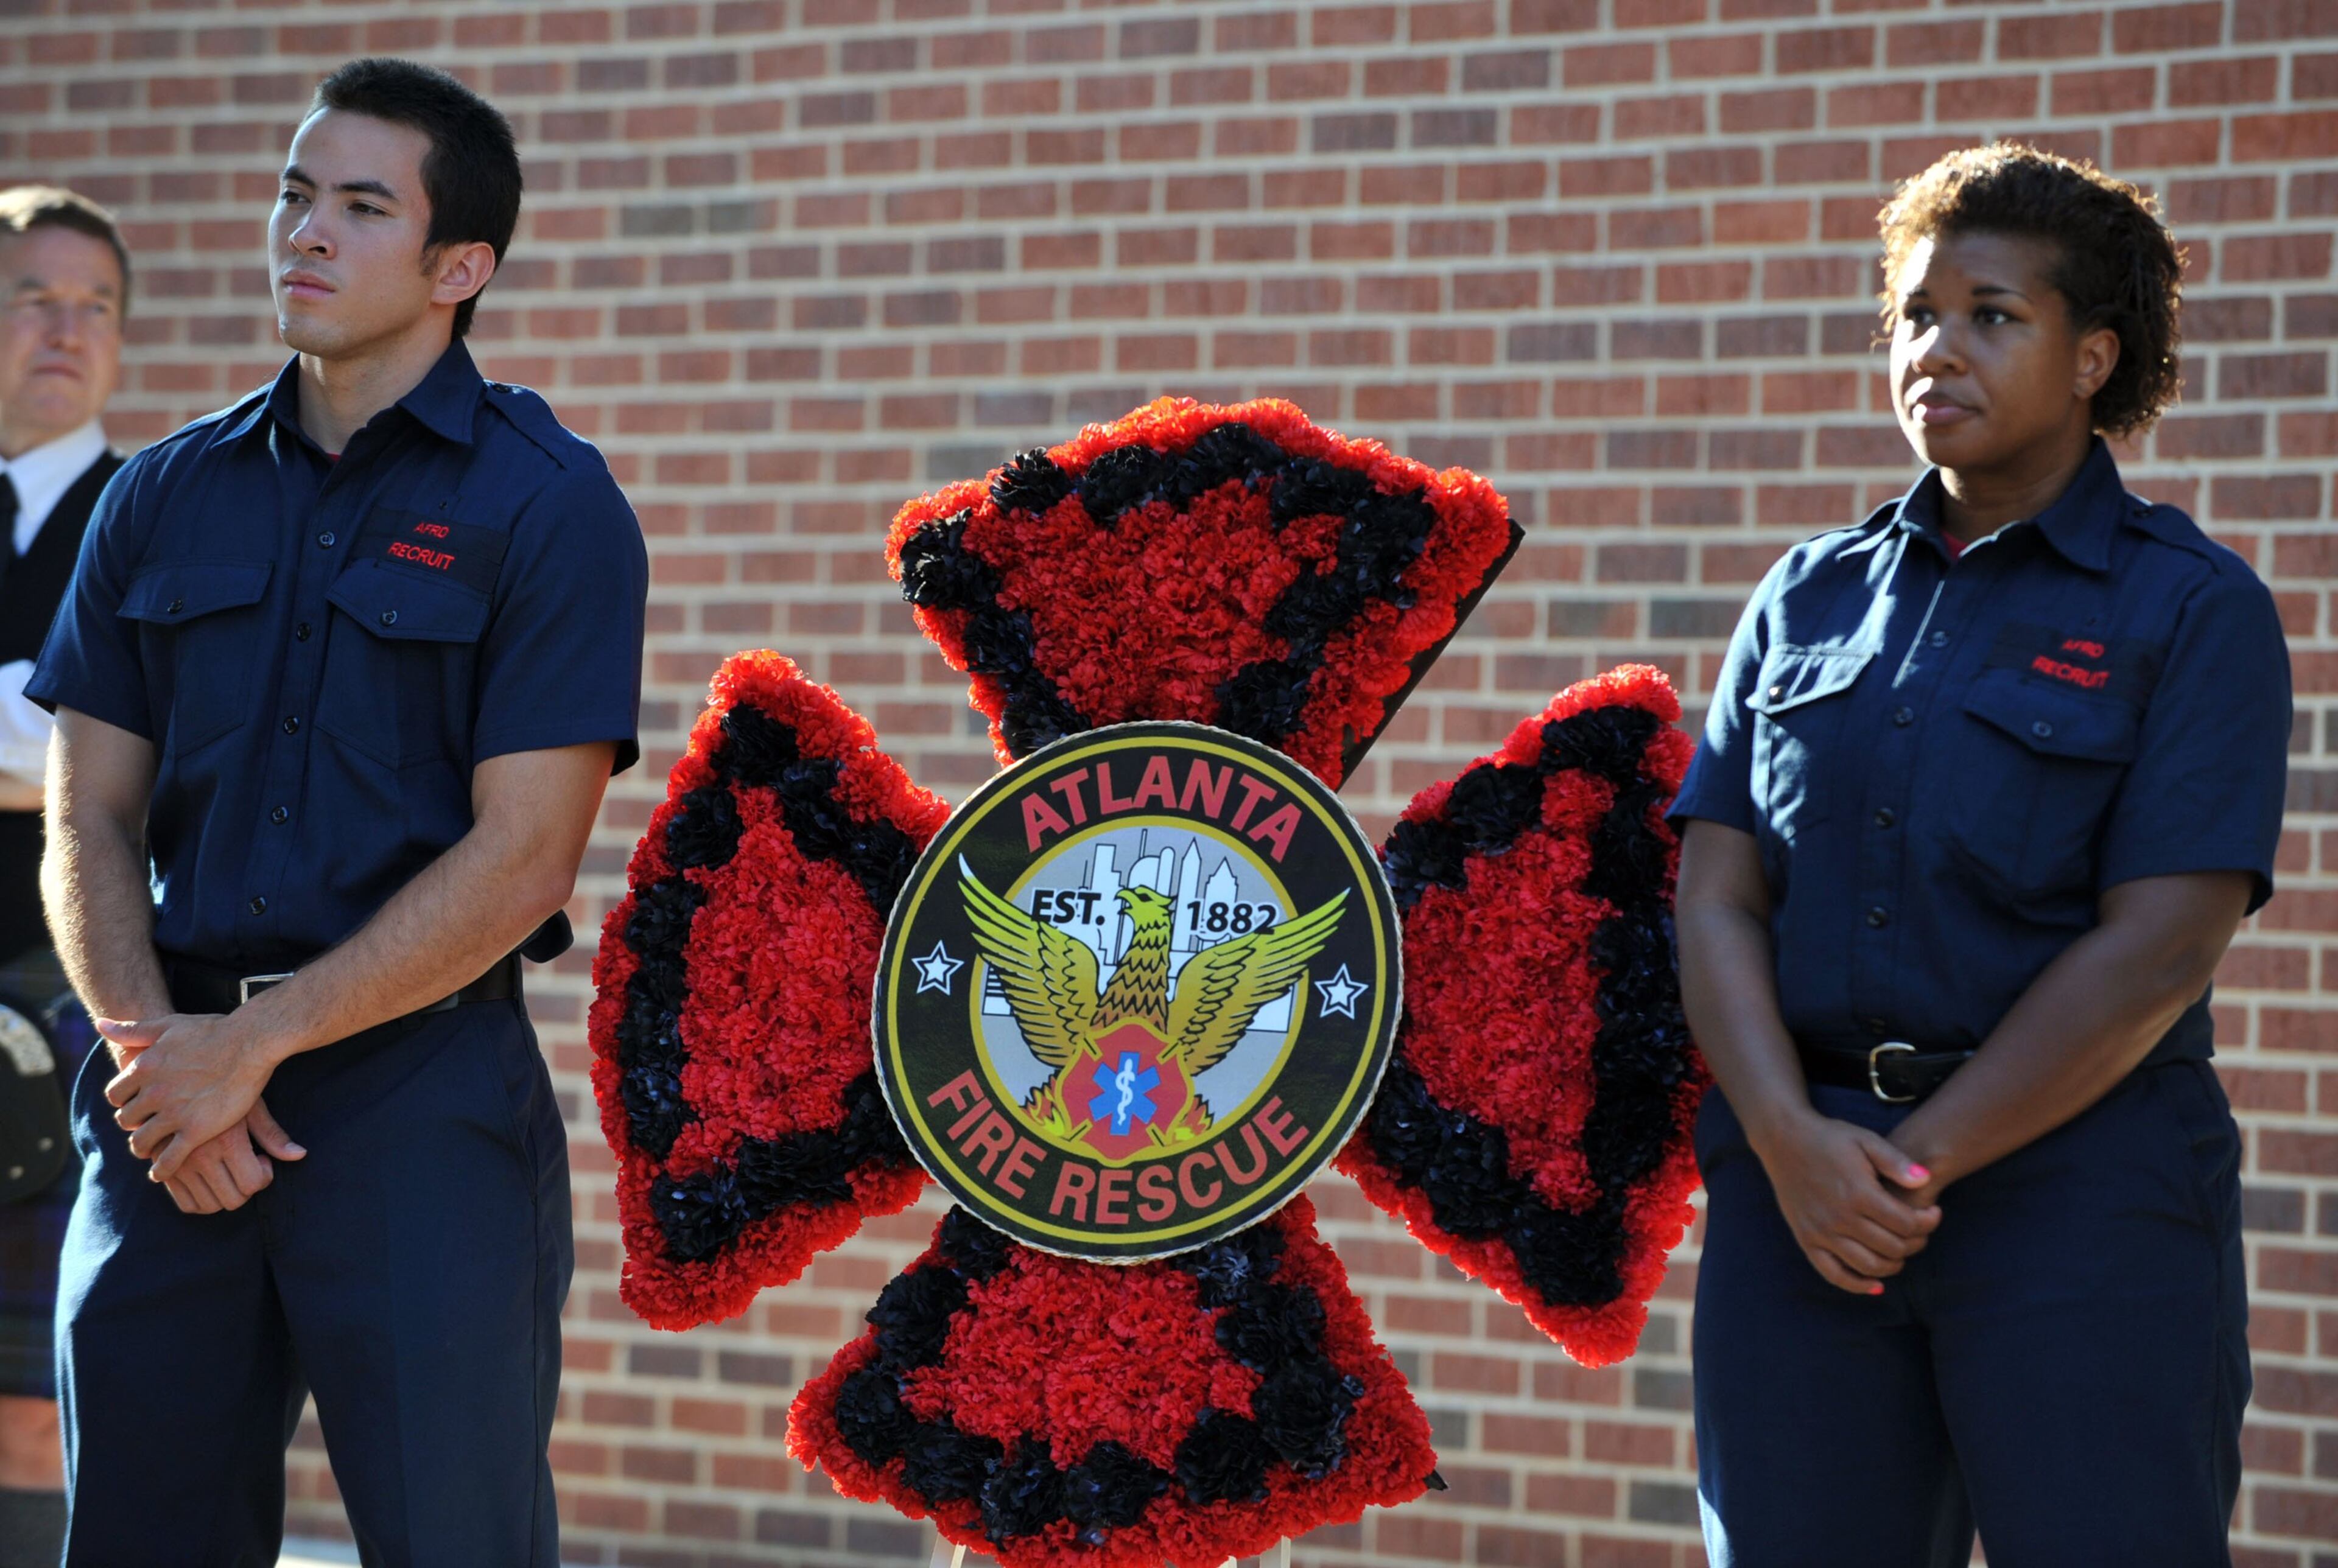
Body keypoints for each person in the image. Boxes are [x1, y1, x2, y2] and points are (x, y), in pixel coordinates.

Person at [27, 57, 647, 1565]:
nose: (303, 231)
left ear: (462, 266)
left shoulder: (551, 508)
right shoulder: (158, 497)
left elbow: (522, 861)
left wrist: (257, 1048)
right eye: (297, 191)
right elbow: (87, 821)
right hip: (161, 1095)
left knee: (455, 1541)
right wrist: (157, 1056)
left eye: (362, 205)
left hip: (415, 1106)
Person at [1672, 142, 2289, 1567]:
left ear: (2093, 359)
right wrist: (1790, 1146)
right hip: (1800, 1197)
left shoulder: (2193, 612)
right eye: (1915, 313)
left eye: (1993, 314)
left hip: (2081, 1202)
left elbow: (2162, 946)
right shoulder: (1803, 597)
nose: (1936, 346)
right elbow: (1718, 892)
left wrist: (1901, 1168)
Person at [0, 184, 128, 1568]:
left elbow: (83, 749)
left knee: (32, 1412)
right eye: (36, 294)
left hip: (57, 1008)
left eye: (96, 307)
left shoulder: (138, 514)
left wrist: (48, 739)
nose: (67, 328)